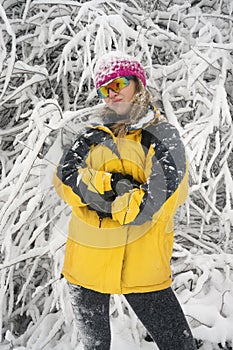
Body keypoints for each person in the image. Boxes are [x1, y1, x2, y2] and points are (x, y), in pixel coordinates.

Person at [53, 51, 196, 350]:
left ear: (138, 84)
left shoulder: (164, 136)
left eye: (119, 83)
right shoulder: (89, 136)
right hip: (85, 266)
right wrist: (116, 185)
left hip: (143, 267)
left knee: (179, 346)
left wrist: (96, 195)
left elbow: (155, 201)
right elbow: (66, 180)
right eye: (106, 89)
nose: (112, 93)